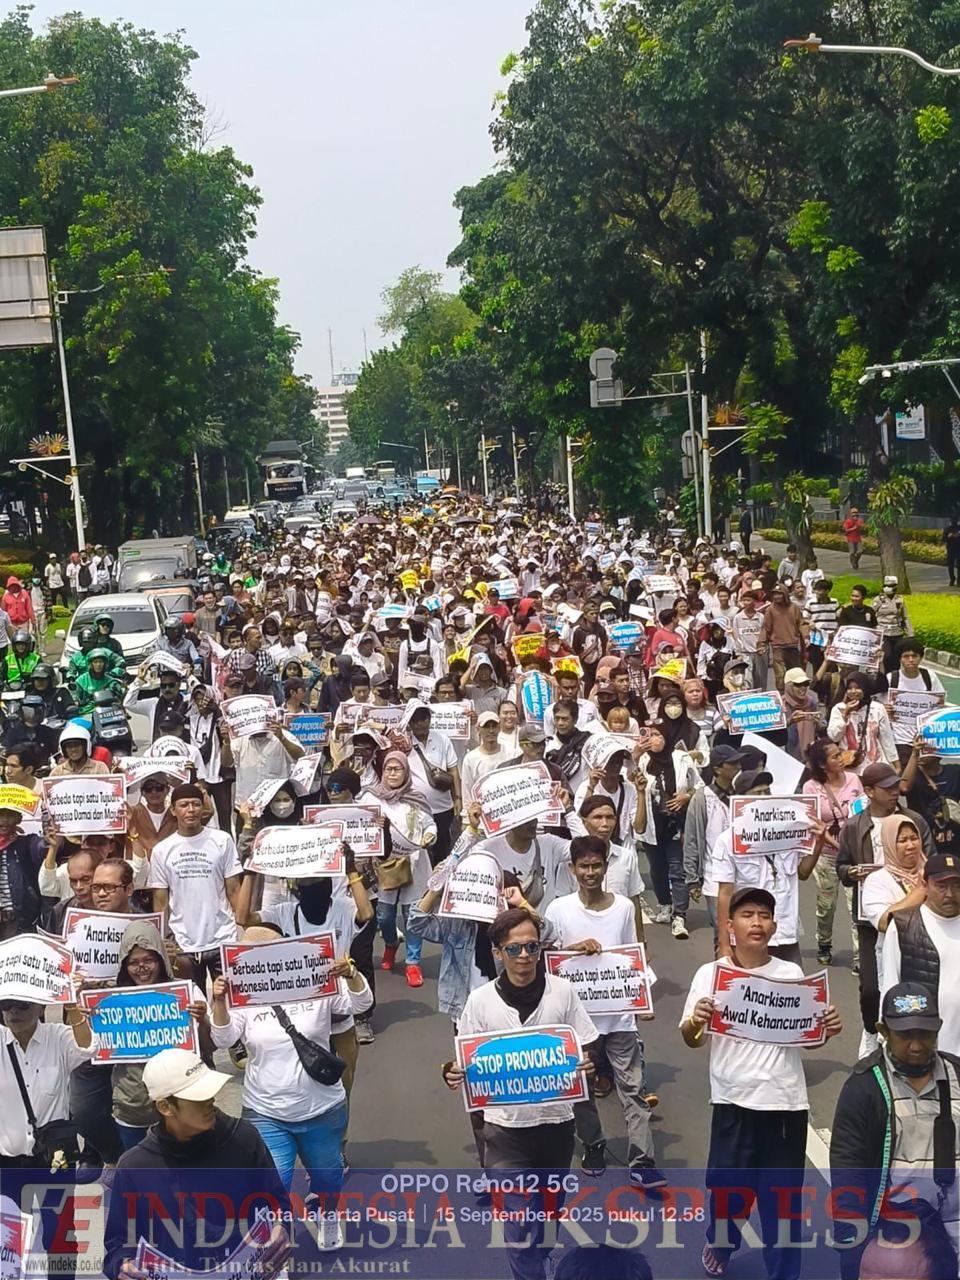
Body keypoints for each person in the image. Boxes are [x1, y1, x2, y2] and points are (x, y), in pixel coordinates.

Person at [681, 885, 842, 1280]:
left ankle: (783, 1273)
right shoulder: (711, 975)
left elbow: (807, 1038)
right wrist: (697, 1020)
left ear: (773, 927)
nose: (757, 922)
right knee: (727, 1192)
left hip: (784, 1106)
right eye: (747, 915)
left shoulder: (790, 975)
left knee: (782, 1205)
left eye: (764, 916)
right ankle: (721, 1242)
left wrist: (827, 1028)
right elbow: (691, 1038)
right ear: (730, 926)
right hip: (733, 1103)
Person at [443, 908, 598, 1280]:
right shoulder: (480, 1001)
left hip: (556, 1125)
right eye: (514, 949)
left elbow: (587, 1043)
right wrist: (451, 1072)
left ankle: (539, 1253)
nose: (525, 956)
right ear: (498, 953)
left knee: (548, 1215)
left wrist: (589, 1064)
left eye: (532, 947)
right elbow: (465, 1060)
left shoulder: (563, 992)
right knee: (517, 1225)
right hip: (504, 1131)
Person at [209, 930, 372, 1251]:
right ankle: (276, 1248)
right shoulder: (240, 993)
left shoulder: (316, 979)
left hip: (321, 1109)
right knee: (273, 1186)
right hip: (265, 1112)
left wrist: (350, 974)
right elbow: (224, 1039)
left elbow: (361, 1003)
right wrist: (219, 1001)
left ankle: (328, 1214)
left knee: (328, 1178)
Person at [102, 1048, 291, 1279]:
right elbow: (118, 1244)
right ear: (165, 1107)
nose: (211, 1101)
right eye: (198, 1097)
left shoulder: (244, 1138)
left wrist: (282, 1227)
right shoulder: (135, 1167)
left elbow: (277, 1202)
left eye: (210, 1092)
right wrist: (123, 1266)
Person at [545, 836, 665, 1188]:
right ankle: (593, 1144)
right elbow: (550, 960)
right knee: (581, 1089)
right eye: (583, 866)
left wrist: (641, 1000)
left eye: (596, 866)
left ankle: (642, 1160)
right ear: (572, 869)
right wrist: (573, 949)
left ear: (605, 867)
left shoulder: (624, 908)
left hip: (620, 1018)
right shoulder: (558, 910)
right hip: (577, 1022)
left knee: (634, 1089)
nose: (590, 873)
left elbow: (631, 956)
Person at [830, 982, 960, 1280]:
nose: (916, 1046)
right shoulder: (864, 1087)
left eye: (925, 1034)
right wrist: (852, 1246)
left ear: (938, 1028)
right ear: (884, 1031)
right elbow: (849, 1170)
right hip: (896, 1237)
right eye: (905, 1035)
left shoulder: (957, 1074)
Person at [837, 761, 936, 1054]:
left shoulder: (914, 819)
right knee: (871, 987)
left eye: (912, 838)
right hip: (871, 918)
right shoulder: (854, 827)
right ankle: (872, 1029)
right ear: (869, 791)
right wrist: (850, 873)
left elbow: (931, 859)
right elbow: (842, 865)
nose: (896, 792)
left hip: (923, 927)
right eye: (888, 788)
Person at [0, 986, 97, 1280]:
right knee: (9, 1240)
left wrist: (73, 1007)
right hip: (8, 1161)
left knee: (61, 1235)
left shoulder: (58, 1037)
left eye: (22, 1005)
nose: (13, 1011)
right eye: (7, 1004)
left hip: (56, 1160)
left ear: (40, 1007)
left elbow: (89, 1048)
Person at [715, 769, 826, 966]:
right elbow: (725, 893)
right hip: (748, 936)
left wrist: (818, 843)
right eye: (757, 793)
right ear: (741, 801)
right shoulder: (728, 840)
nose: (765, 797)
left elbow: (803, 873)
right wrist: (724, 943)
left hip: (785, 933)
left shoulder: (790, 833)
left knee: (791, 982)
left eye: (767, 791)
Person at [147, 782, 244, 991]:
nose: (190, 810)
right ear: (173, 810)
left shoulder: (222, 840)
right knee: (192, 1004)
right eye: (184, 805)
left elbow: (234, 890)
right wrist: (163, 940)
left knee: (229, 1000)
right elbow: (160, 901)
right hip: (183, 943)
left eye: (196, 804)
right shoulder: (162, 850)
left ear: (203, 808)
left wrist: (244, 928)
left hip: (223, 937)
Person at [881, 852, 960, 1056]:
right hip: (926, 1050)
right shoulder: (904, 926)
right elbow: (890, 985)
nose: (950, 894)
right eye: (941, 886)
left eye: (956, 886)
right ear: (924, 885)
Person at [634, 721, 702, 938]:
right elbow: (629, 780)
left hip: (676, 824)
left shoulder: (681, 758)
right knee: (657, 869)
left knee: (677, 869)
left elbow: (699, 785)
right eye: (650, 735)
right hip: (652, 824)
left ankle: (679, 915)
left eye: (658, 735)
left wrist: (686, 796)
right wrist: (635, 757)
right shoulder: (643, 760)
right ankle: (665, 904)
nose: (653, 739)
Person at [802, 738, 865, 967]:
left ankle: (860, 958)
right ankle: (824, 944)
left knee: (856, 906)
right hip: (827, 856)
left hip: (854, 857)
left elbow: (863, 812)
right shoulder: (811, 788)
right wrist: (837, 845)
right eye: (835, 756)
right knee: (826, 906)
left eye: (841, 753)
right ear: (822, 764)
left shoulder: (854, 780)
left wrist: (852, 848)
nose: (841, 758)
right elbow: (815, 825)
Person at [885, 637, 945, 765]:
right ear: (899, 658)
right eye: (906, 656)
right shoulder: (891, 679)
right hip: (899, 739)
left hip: (925, 737)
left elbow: (940, 704)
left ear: (920, 657)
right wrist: (885, 708)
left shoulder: (930, 677)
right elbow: (879, 706)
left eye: (914, 656)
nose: (911, 659)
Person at [827, 672, 898, 776]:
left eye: (857, 688)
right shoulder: (839, 708)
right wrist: (845, 715)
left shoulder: (878, 708)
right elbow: (834, 737)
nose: (853, 691)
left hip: (875, 766)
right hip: (849, 768)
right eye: (849, 688)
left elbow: (886, 738)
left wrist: (896, 764)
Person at [760, 583, 807, 693]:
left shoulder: (794, 608)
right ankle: (782, 695)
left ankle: (796, 695)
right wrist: (762, 644)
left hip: (793, 646)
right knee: (780, 675)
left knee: (796, 675)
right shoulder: (770, 610)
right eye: (774, 594)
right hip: (778, 647)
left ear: (785, 594)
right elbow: (766, 628)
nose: (776, 597)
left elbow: (801, 624)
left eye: (779, 594)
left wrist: (806, 637)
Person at [873, 576, 913, 674]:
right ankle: (884, 675)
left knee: (897, 657)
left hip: (897, 632)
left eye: (890, 586)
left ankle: (895, 677)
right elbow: (871, 613)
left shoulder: (900, 600)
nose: (887, 588)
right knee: (887, 655)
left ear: (895, 587)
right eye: (885, 585)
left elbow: (905, 617)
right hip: (883, 632)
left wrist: (910, 633)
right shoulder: (878, 599)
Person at [945, 517, 960, 587]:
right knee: (952, 566)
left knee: (952, 565)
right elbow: (944, 539)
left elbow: (943, 539)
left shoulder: (947, 529)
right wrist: (949, 536)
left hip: (954, 549)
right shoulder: (948, 529)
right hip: (952, 549)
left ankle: (954, 580)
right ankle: (954, 580)